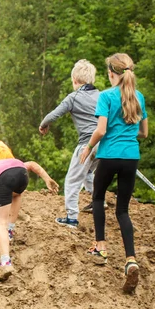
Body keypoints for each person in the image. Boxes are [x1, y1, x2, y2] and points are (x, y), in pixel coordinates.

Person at [80, 53, 148, 294]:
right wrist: (126, 133)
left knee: (98, 198)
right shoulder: (138, 97)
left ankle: (100, 247)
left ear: (111, 73)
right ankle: (131, 259)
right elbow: (144, 133)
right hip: (131, 157)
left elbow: (100, 129)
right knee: (123, 210)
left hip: (109, 156)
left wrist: (88, 149)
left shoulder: (106, 96)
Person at [39, 59, 100, 228]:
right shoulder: (102, 95)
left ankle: (71, 218)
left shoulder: (73, 97)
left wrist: (43, 125)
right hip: (104, 143)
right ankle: (98, 201)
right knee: (88, 173)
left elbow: (53, 115)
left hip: (87, 144)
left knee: (73, 180)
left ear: (74, 80)